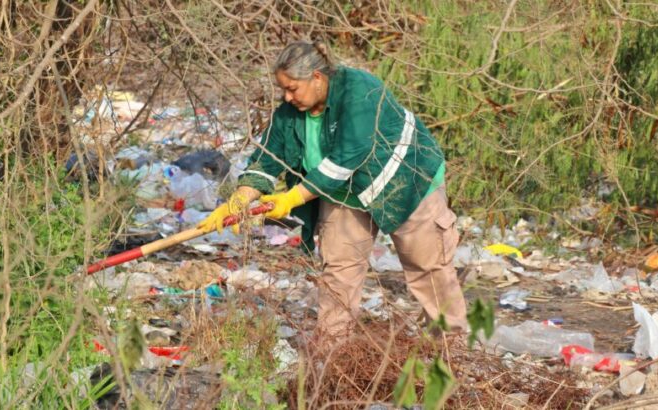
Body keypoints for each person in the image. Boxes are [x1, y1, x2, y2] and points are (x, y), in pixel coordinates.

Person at [199, 41, 467, 338]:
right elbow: (265, 158)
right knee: (339, 272)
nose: (287, 98)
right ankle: (332, 356)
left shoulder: (360, 91)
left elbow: (349, 155)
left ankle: (449, 350)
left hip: (406, 183)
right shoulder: (290, 113)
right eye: (283, 90)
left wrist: (292, 198)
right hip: (345, 193)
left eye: (292, 88)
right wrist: (241, 197)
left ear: (317, 77)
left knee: (427, 267)